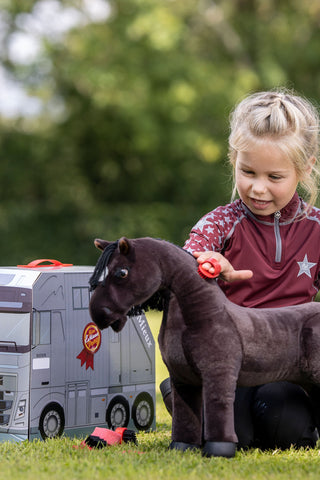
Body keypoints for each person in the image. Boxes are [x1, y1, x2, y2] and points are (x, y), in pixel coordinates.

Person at [160, 89, 320, 450]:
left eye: (274, 177)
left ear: (305, 167)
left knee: (287, 430)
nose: (257, 188)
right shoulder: (221, 222)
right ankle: (184, 391)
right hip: (226, 361)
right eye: (247, 171)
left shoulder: (317, 229)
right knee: (237, 435)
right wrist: (208, 264)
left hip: (287, 363)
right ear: (233, 158)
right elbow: (185, 263)